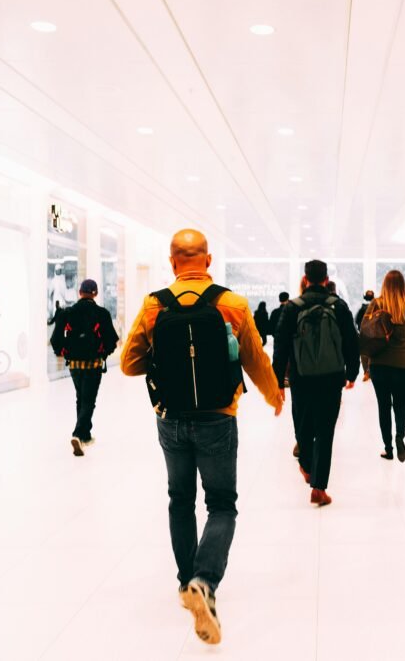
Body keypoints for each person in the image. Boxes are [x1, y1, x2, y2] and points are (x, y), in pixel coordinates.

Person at [120, 229, 283, 647]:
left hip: (171, 418)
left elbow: (129, 363)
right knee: (222, 504)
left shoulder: (154, 305)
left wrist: (163, 359)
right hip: (218, 418)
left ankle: (184, 582)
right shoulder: (232, 304)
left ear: (172, 261)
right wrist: (273, 394)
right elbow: (254, 359)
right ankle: (204, 582)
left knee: (180, 499)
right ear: (208, 261)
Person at [272, 260, 360, 507]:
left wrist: (278, 381)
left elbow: (280, 347)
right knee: (325, 431)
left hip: (301, 378)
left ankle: (306, 465)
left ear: (305, 278)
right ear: (326, 279)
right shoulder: (338, 306)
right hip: (332, 378)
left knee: (303, 425)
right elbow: (351, 342)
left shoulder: (292, 308)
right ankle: (319, 488)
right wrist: (352, 373)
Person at [50, 279, 120, 457]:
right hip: (93, 363)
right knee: (88, 400)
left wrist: (64, 353)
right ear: (95, 293)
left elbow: (55, 339)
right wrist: (103, 354)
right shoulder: (102, 313)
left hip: (74, 364)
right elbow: (112, 340)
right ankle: (78, 434)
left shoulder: (68, 312)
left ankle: (86, 435)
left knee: (81, 398)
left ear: (80, 292)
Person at [367, 270, 405, 462]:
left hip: (379, 364)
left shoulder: (376, 304)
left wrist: (366, 365)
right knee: (401, 404)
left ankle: (388, 448)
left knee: (384, 406)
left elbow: (366, 334)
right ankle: (400, 436)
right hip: (403, 364)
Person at [355, 290, 374, 382]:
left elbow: (356, 320)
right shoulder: (376, 307)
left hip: (363, 333)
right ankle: (371, 371)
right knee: (372, 353)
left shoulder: (362, 308)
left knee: (363, 354)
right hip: (374, 334)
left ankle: (366, 371)